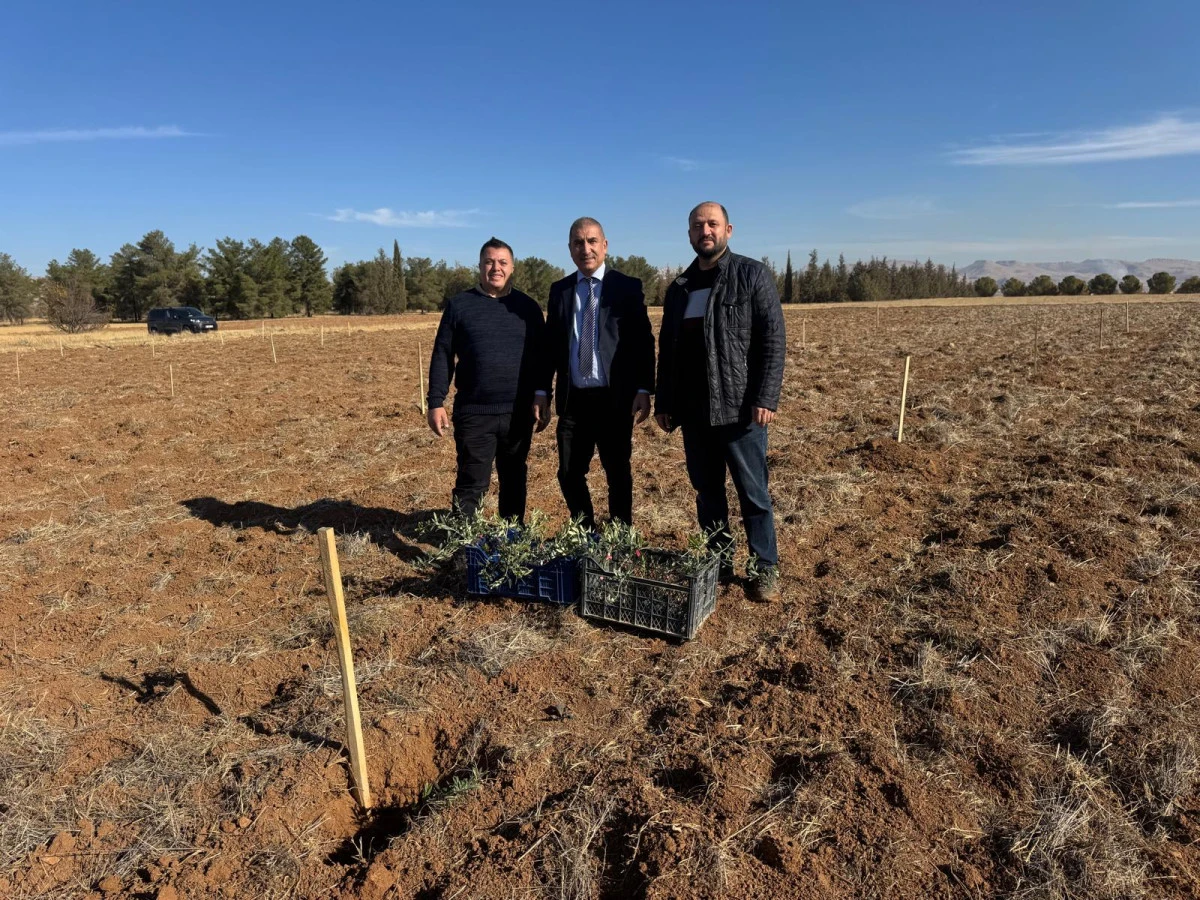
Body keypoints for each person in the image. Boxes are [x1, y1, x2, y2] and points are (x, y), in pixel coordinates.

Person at [654, 202, 786, 601]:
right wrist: (665, 401)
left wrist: (765, 395)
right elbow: (668, 349)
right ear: (690, 234)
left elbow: (772, 340)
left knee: (753, 492)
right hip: (695, 413)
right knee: (707, 492)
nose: (705, 231)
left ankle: (765, 568)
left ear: (729, 230)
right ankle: (719, 562)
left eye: (712, 224)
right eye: (698, 225)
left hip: (739, 408)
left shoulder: (750, 274)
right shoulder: (679, 288)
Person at [536, 217, 655, 527]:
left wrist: (644, 388)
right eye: (578, 242)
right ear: (570, 249)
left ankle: (619, 538)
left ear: (604, 245)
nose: (585, 248)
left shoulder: (626, 287)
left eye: (591, 241)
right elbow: (550, 346)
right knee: (568, 471)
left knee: (617, 472)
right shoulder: (560, 290)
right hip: (574, 400)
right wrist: (542, 392)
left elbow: (643, 341)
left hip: (614, 399)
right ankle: (586, 533)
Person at [427, 237, 545, 522]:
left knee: (514, 480)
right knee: (471, 483)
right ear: (479, 266)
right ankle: (464, 549)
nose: (496, 268)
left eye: (502, 262)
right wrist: (435, 401)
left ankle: (511, 543)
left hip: (518, 413)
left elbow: (542, 357)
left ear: (512, 267)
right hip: (474, 413)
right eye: (489, 262)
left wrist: (543, 394)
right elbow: (443, 354)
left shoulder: (527, 308)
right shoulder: (460, 305)